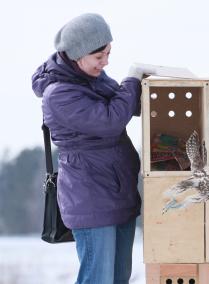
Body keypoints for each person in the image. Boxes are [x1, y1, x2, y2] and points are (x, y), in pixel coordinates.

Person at [32, 13, 152, 284]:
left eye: (108, 53)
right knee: (98, 278)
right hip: (90, 196)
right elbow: (110, 121)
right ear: (78, 55)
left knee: (120, 277)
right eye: (99, 57)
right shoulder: (59, 94)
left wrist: (146, 85)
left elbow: (126, 106)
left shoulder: (93, 79)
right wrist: (131, 81)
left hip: (118, 190)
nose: (106, 62)